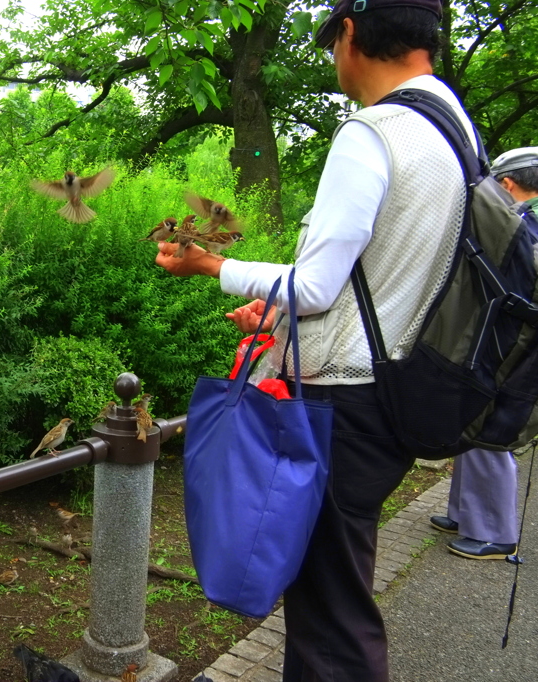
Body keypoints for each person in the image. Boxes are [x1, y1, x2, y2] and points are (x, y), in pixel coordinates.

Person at [156, 0, 472, 679]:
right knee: (334, 597)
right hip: (397, 393)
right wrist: (280, 317)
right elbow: (394, 278)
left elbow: (317, 286)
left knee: (330, 619)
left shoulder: (376, 132)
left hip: (344, 407)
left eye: (332, 43)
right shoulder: (454, 130)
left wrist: (210, 265)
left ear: (350, 34)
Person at [429, 149, 538, 559]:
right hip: (504, 342)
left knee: (492, 433)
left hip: (513, 350)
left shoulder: (517, 227)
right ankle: (464, 513)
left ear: (507, 184)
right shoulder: (524, 226)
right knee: (471, 427)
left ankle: (496, 533)